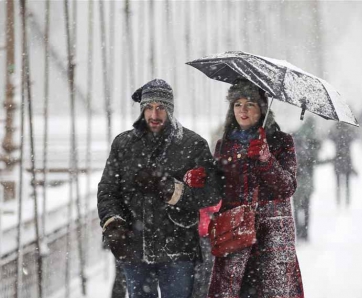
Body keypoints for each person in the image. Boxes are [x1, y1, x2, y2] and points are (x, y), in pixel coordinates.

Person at [97, 79, 222, 298]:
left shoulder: (193, 144)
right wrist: (113, 223)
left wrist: (172, 189)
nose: (154, 115)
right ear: (141, 109)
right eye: (149, 107)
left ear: (170, 109)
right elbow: (107, 190)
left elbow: (212, 192)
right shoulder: (123, 144)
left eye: (161, 108)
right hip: (134, 247)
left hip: (179, 248)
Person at [208, 80, 304, 298]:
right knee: (234, 291)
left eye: (249, 104)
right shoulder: (224, 145)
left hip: (272, 233)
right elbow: (215, 191)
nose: (242, 110)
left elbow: (287, 187)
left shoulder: (281, 142)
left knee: (270, 291)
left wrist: (266, 159)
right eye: (237, 104)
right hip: (235, 230)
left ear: (262, 109)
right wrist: (200, 178)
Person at [292, 117, 321, 241]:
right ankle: (305, 233)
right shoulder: (312, 141)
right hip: (307, 181)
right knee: (306, 207)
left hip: (295, 181)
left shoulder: (295, 138)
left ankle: (299, 231)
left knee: (297, 207)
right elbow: (315, 161)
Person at [192, 202, 221, 298]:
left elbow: (215, 207)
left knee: (205, 270)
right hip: (201, 234)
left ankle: (201, 294)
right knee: (202, 270)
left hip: (207, 234)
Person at [329, 122, 357, 206]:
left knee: (338, 184)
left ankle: (338, 202)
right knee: (347, 184)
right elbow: (355, 137)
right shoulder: (349, 133)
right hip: (347, 161)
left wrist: (333, 127)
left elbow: (329, 136)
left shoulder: (336, 133)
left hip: (338, 161)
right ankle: (347, 202)